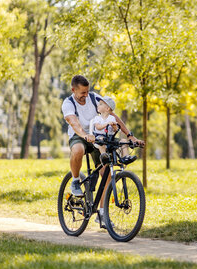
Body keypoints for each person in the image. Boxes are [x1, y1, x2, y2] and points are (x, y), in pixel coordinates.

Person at [61, 75, 143, 225]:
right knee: (78, 150)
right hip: (80, 136)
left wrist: (130, 135)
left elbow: (112, 115)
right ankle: (74, 181)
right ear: (73, 90)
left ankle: (102, 213)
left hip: (99, 137)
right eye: (82, 93)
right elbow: (73, 122)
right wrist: (85, 135)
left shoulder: (94, 98)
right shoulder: (68, 103)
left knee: (106, 172)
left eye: (87, 91)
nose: (86, 96)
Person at [89, 95, 135, 163]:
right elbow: (98, 127)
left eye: (100, 104)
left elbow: (116, 130)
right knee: (102, 140)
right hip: (99, 137)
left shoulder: (112, 118)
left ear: (107, 109)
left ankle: (125, 157)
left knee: (123, 141)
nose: (98, 105)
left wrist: (114, 126)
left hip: (111, 138)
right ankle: (104, 156)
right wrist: (107, 124)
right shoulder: (97, 118)